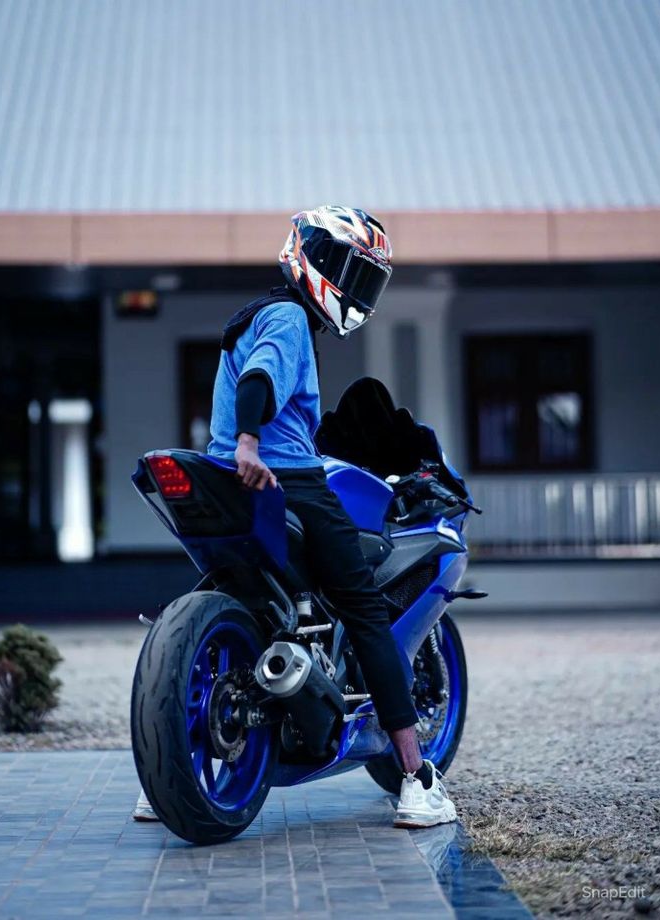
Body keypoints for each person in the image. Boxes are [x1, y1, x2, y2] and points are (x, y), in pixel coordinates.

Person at [134, 206, 456, 829]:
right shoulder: (286, 318)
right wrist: (253, 445)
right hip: (287, 479)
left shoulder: (255, 316)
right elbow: (259, 382)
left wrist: (242, 447)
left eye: (366, 278)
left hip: (225, 479)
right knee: (366, 611)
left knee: (231, 596)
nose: (356, 288)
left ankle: (163, 777)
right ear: (312, 259)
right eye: (350, 271)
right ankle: (416, 780)